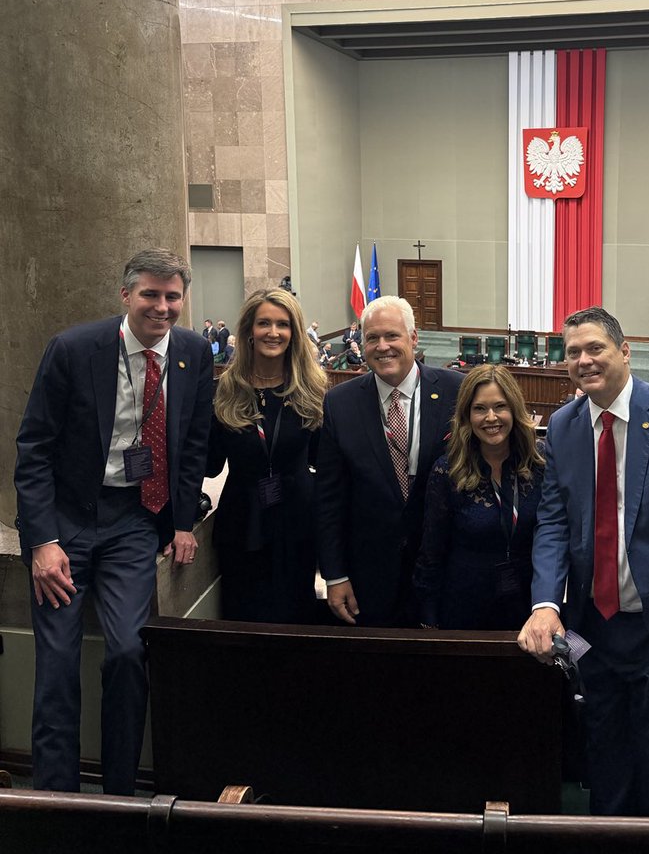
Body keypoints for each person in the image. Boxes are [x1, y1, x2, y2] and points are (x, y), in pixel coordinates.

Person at [14, 249, 213, 795]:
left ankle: (121, 796)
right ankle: (57, 798)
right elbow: (33, 451)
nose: (163, 307)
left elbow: (192, 445)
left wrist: (180, 522)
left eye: (173, 296)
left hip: (133, 521)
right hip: (68, 521)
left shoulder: (194, 353)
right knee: (57, 663)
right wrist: (43, 542)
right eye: (151, 294)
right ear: (125, 295)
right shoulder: (74, 350)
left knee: (129, 652)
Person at [518, 305, 649, 817]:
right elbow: (553, 523)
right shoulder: (563, 426)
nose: (584, 360)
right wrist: (546, 602)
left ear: (625, 351)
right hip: (594, 629)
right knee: (604, 755)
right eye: (573, 352)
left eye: (596, 348)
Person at [317, 295, 461, 626]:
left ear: (413, 338)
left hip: (445, 568)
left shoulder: (457, 391)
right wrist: (335, 574)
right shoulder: (340, 404)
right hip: (370, 574)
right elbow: (329, 499)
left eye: (392, 336)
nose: (383, 346)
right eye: (372, 338)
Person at [207, 288, 326, 624]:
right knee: (243, 618)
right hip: (241, 522)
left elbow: (327, 463)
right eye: (264, 323)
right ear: (248, 331)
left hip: (298, 522)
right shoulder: (223, 390)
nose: (273, 332)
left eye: (283, 324)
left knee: (296, 616)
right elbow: (209, 464)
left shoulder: (314, 390)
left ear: (294, 333)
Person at [414, 365, 544, 630]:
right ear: (467, 415)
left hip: (527, 609)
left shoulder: (539, 464)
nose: (491, 417)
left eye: (500, 406)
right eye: (480, 408)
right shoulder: (447, 470)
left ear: (515, 410)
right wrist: (428, 619)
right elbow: (431, 553)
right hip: (464, 609)